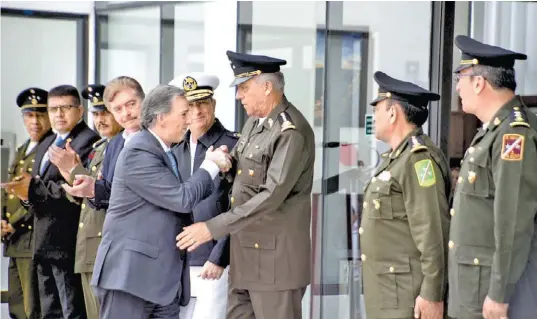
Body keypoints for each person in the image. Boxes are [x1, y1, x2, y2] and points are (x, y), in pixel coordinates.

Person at [177, 51, 315, 319]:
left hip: (275, 264)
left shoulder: (290, 131)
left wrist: (212, 228)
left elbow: (271, 196)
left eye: (243, 88)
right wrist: (224, 164)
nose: (238, 96)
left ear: (266, 87)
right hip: (245, 258)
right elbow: (241, 173)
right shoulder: (255, 123)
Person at [80, 85, 232, 319]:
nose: (189, 118)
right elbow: (182, 199)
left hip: (159, 283)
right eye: (183, 113)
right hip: (130, 279)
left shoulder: (162, 150)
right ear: (161, 118)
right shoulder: (139, 151)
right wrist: (211, 164)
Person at [448, 35, 537, 319]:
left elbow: (513, 221)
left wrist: (499, 293)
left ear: (479, 82)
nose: (458, 86)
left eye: (460, 77)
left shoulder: (514, 134)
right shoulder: (491, 131)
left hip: (493, 294)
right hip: (475, 289)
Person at [358, 71, 450, 319]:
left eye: (377, 109)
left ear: (392, 112)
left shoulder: (418, 159)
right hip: (389, 293)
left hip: (407, 297)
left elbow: (432, 231)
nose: (373, 116)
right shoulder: (396, 158)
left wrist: (432, 293)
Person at [3, 84, 100, 318]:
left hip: (67, 241)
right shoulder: (48, 143)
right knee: (48, 311)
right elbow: (33, 189)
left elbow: (76, 188)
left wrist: (33, 190)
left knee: (70, 310)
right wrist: (27, 197)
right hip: (43, 240)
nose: (58, 114)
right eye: (53, 109)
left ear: (79, 111)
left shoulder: (88, 140)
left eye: (65, 108)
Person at [169, 72, 239, 319]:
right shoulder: (173, 149)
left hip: (213, 263)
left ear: (214, 105)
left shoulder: (234, 146)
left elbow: (240, 208)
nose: (197, 111)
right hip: (176, 264)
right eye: (190, 105)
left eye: (202, 103)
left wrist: (220, 256)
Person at [52, 84, 122, 319]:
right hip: (88, 245)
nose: (100, 119)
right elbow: (84, 192)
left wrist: (72, 169)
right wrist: (69, 173)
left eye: (105, 112)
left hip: (105, 243)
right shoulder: (100, 147)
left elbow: (107, 193)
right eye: (96, 113)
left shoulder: (125, 146)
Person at [1, 87, 52, 319]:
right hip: (15, 240)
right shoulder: (24, 149)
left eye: (41, 114)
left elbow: (40, 195)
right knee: (17, 306)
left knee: (33, 308)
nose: (35, 121)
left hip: (32, 238)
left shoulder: (50, 148)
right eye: (30, 115)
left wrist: (14, 223)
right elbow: (10, 191)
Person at [61, 76, 144, 209]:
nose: (126, 113)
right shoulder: (115, 143)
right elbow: (108, 192)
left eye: (131, 104)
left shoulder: (160, 137)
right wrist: (92, 189)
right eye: (118, 109)